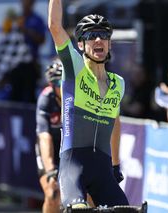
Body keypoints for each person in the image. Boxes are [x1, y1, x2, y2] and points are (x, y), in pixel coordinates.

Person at [48, 0, 128, 209]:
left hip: (102, 169)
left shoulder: (118, 83)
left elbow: (115, 125)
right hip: (73, 165)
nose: (98, 39)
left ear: (110, 43)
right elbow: (55, 26)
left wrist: (115, 164)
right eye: (91, 36)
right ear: (81, 44)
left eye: (103, 35)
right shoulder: (75, 68)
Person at [36, 60, 62, 213]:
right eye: (58, 82)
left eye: (65, 81)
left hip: (69, 147)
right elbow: (44, 137)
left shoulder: (79, 96)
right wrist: (51, 169)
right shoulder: (46, 99)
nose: (62, 86)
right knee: (53, 194)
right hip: (50, 145)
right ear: (52, 85)